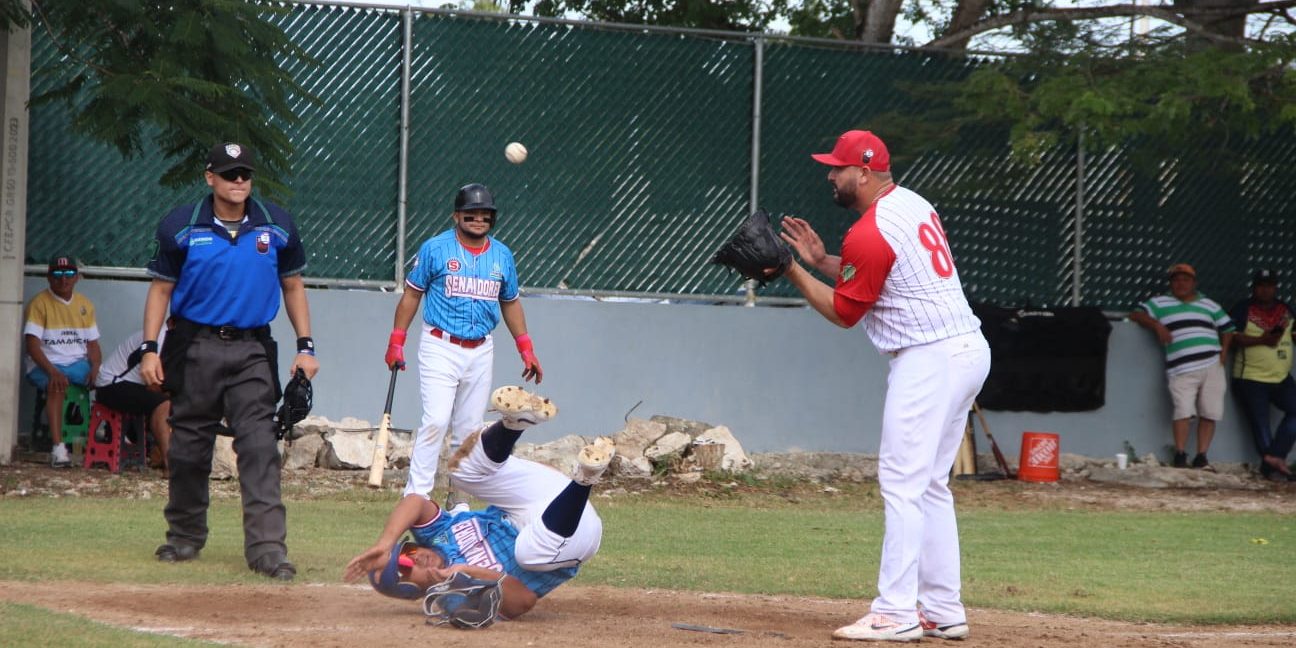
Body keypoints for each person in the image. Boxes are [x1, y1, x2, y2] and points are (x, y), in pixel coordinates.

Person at [775, 130, 990, 642]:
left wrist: (790, 271)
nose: (831, 175)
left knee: (902, 483)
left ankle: (895, 612)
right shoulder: (911, 204)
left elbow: (845, 312)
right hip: (965, 350)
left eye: (838, 167)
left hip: (929, 359)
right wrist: (819, 262)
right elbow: (872, 275)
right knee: (930, 485)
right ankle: (942, 609)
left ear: (865, 172)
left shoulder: (870, 231)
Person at [139, 142, 320, 581]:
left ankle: (268, 550)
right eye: (228, 174)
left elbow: (293, 286)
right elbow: (161, 290)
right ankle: (184, 537)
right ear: (210, 177)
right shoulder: (182, 226)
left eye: (244, 174)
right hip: (194, 345)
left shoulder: (276, 225)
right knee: (188, 448)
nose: (238, 181)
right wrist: (148, 348)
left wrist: (306, 347)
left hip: (252, 350)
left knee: (259, 446)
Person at [343, 385, 613, 624]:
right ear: (408, 589)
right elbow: (523, 601)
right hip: (567, 538)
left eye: (408, 549)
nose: (416, 555)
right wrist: (467, 572)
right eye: (404, 563)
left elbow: (415, 500)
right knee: (529, 552)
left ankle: (515, 422)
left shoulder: (437, 536)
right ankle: (586, 477)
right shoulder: (454, 596)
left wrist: (386, 544)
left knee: (461, 472)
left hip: (535, 502)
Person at [383, 183, 543, 511]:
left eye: (485, 214)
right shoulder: (435, 248)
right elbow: (412, 294)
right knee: (436, 420)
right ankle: (416, 496)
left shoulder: (502, 255)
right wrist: (397, 340)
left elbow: (510, 302)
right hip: (439, 344)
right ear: (456, 216)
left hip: (481, 348)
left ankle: (459, 498)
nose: (478, 219)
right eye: (471, 213)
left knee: (469, 429)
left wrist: (525, 348)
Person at [1129, 263, 1235, 471]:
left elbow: (1228, 328)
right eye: (1176, 280)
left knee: (1210, 412)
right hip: (1181, 367)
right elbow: (1136, 314)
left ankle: (1201, 456)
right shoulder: (1160, 303)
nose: (1181, 283)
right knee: (1183, 410)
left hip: (1211, 364)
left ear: (1194, 283)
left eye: (1185, 280)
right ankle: (1179, 454)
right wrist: (1157, 325)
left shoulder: (1209, 304)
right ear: (1171, 283)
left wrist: (1223, 353)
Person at [23, 255, 102, 468]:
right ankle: (59, 450)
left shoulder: (85, 305)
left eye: (69, 273)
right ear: (49, 277)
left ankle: (103, 440)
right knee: (57, 384)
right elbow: (32, 346)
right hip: (44, 365)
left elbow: (93, 346)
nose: (63, 279)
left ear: (77, 277)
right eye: (57, 273)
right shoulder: (39, 304)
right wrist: (53, 371)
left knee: (108, 380)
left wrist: (96, 367)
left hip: (76, 364)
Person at [1228, 269, 1296, 482]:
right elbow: (1232, 338)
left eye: (1269, 285)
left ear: (1275, 287)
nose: (1265, 290)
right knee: (1261, 425)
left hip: (1281, 377)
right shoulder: (1243, 308)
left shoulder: (1285, 310)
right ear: (1254, 287)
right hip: (1250, 378)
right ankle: (1271, 470)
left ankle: (1275, 457)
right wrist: (1262, 340)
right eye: (1261, 285)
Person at [94, 320, 174, 475]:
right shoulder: (160, 338)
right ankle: (170, 465)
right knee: (164, 404)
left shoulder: (173, 340)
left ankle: (161, 453)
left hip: (131, 385)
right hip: (111, 385)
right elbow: (153, 383)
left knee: (175, 400)